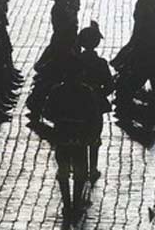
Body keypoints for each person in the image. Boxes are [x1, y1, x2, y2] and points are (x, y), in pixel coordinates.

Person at [42, 61, 104, 222]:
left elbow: (47, 113)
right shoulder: (86, 92)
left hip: (62, 136)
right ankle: (76, 203)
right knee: (80, 172)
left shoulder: (57, 91)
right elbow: (94, 116)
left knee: (62, 170)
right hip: (80, 138)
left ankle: (66, 203)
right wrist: (92, 133)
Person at [75, 21, 114, 183]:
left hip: (78, 105)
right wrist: (99, 94)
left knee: (80, 136)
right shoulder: (101, 63)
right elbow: (110, 85)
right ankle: (93, 168)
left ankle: (81, 167)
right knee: (95, 137)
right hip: (96, 105)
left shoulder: (75, 61)